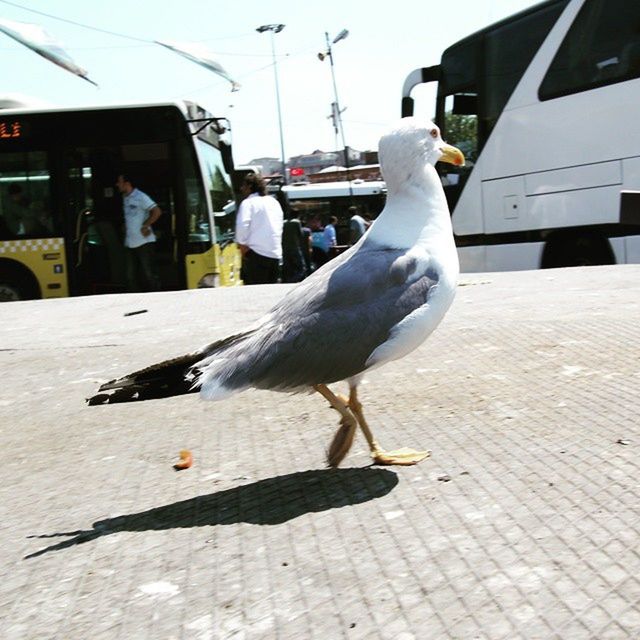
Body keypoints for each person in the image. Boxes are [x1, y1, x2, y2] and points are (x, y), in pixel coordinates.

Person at [115, 173, 162, 292]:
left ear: (127, 184)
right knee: (130, 276)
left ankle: (158, 298)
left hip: (144, 241)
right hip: (130, 242)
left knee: (149, 274)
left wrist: (146, 225)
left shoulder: (140, 196)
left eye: (119, 182)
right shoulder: (125, 198)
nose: (117, 185)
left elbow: (157, 211)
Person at [235, 173, 283, 284]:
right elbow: (279, 225)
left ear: (250, 186)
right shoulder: (274, 202)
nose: (242, 189)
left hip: (256, 254)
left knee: (255, 294)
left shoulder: (248, 203)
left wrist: (242, 245)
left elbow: (242, 225)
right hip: (275, 254)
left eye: (244, 185)